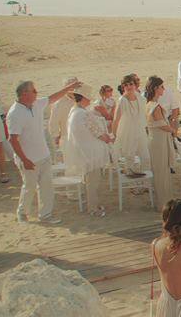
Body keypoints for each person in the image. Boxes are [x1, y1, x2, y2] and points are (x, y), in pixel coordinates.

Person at [7, 78, 80, 224]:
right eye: (33, 90)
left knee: (46, 187)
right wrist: (24, 160)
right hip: (28, 158)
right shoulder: (15, 113)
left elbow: (53, 97)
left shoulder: (36, 104)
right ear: (24, 94)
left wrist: (70, 88)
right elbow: (13, 139)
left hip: (43, 155)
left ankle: (45, 215)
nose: (36, 92)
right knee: (29, 187)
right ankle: (22, 212)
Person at [63, 84, 112, 216]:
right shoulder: (84, 114)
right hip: (91, 153)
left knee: (89, 180)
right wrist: (108, 138)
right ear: (83, 98)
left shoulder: (73, 112)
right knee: (93, 182)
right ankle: (93, 208)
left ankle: (92, 204)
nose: (90, 100)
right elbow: (99, 134)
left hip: (82, 152)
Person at [144, 77, 175, 209]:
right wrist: (174, 130)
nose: (164, 89)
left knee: (162, 170)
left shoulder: (150, 104)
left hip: (157, 139)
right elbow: (162, 125)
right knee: (161, 171)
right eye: (162, 87)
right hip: (159, 141)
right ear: (156, 88)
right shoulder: (154, 106)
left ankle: (165, 201)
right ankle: (163, 203)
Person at [112, 74, 150, 174]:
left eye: (131, 84)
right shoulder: (122, 101)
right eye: (126, 85)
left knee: (145, 156)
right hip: (127, 132)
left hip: (140, 130)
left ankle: (145, 184)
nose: (129, 87)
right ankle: (131, 185)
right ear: (123, 87)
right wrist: (115, 135)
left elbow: (144, 116)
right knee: (129, 158)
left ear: (135, 85)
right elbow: (116, 119)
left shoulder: (141, 99)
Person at [48, 77, 78, 149]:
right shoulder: (59, 103)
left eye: (76, 87)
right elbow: (53, 122)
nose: (74, 89)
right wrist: (56, 136)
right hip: (67, 136)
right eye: (71, 87)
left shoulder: (80, 98)